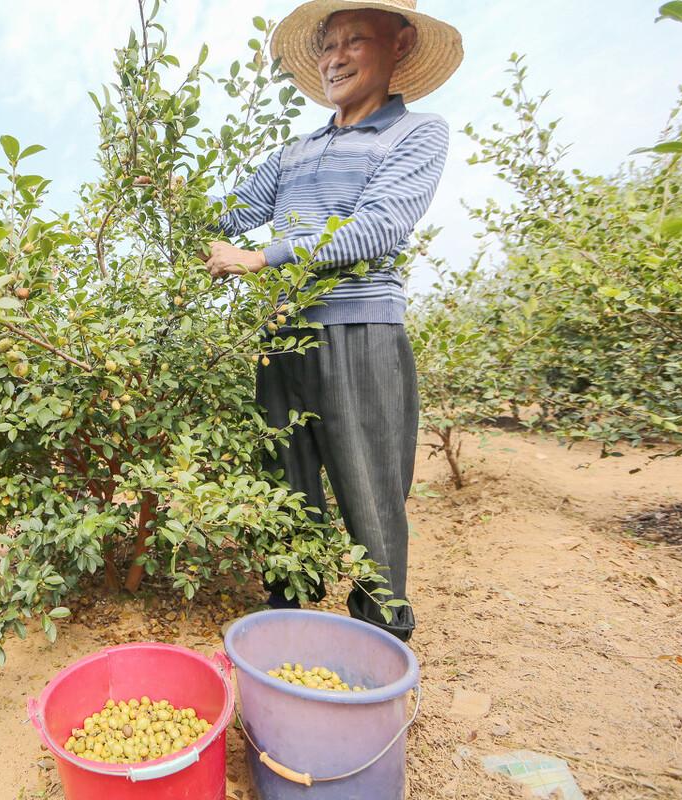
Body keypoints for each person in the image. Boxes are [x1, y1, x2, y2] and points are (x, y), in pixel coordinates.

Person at [206, 1, 463, 641]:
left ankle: (382, 633)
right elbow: (225, 218)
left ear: (399, 46)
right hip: (282, 334)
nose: (336, 57)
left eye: (355, 40)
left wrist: (262, 256)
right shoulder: (294, 152)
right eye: (327, 45)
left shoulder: (418, 133)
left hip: (361, 330)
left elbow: (379, 227)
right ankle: (290, 610)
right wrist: (173, 203)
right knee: (283, 479)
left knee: (370, 488)